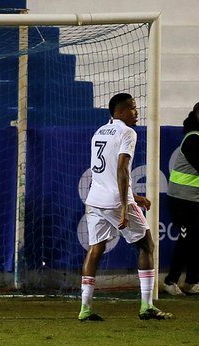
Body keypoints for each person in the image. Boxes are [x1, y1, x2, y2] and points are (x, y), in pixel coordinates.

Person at [79, 93, 173, 321]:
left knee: (95, 249)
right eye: (131, 108)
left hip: (95, 200)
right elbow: (121, 169)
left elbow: (108, 172)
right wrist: (125, 205)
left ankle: (85, 308)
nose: (136, 112)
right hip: (115, 202)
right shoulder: (127, 132)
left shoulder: (100, 131)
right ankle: (147, 306)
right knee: (147, 245)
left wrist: (135, 197)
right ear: (119, 112)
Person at [163, 102, 199, 296]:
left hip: (195, 199)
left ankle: (192, 282)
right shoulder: (192, 138)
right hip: (182, 201)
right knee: (187, 240)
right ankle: (170, 281)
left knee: (196, 240)